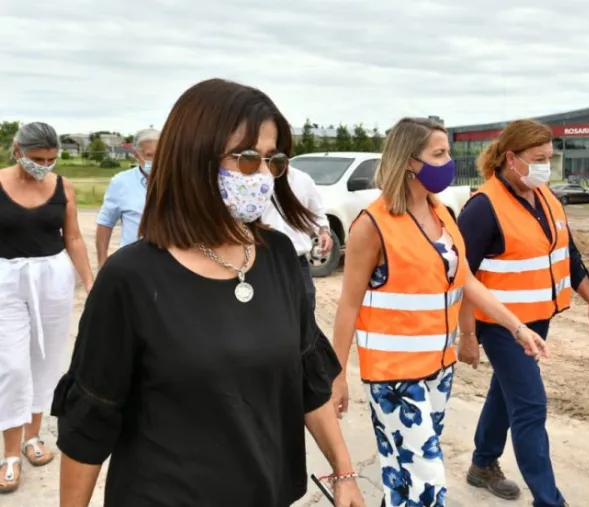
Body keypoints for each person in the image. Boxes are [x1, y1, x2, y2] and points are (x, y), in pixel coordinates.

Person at [49, 78, 365, 507]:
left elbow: (308, 378)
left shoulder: (277, 258)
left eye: (274, 160)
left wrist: (344, 474)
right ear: (193, 157)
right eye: (248, 158)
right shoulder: (132, 278)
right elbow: (91, 420)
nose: (264, 175)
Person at [330, 117, 550, 507]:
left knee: (404, 473)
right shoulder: (373, 224)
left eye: (447, 151)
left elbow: (467, 279)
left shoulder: (443, 214)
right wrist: (337, 376)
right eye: (439, 153)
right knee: (427, 480)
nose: (448, 161)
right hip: (394, 376)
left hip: (438, 368)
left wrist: (517, 327)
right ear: (408, 161)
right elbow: (348, 304)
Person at [455, 119, 589, 507]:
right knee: (530, 404)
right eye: (538, 159)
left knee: (505, 394)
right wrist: (468, 336)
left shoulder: (547, 198)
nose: (545, 167)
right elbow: (460, 279)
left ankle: (483, 463)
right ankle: (549, 500)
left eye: (549, 159)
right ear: (511, 158)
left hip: (537, 320)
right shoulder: (482, 208)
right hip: (500, 326)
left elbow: (567, 254)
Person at [0, 122, 94, 494]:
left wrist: (90, 281)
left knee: (46, 359)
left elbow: (71, 236)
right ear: (17, 150)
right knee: (11, 364)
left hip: (52, 278)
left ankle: (32, 436)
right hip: (6, 278)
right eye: (38, 158)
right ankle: (9, 452)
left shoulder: (62, 187)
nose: (45, 165)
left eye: (52, 159)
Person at [261, 164, 333, 309]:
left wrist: (324, 232)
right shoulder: (253, 179)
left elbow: (317, 214)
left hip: (297, 262)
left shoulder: (302, 180)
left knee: (306, 307)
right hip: (263, 262)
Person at [95, 127, 159, 267]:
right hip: (134, 265)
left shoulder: (180, 182)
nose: (158, 160)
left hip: (171, 265)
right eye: (150, 155)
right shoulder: (121, 182)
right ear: (136, 155)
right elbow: (105, 222)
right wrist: (102, 263)